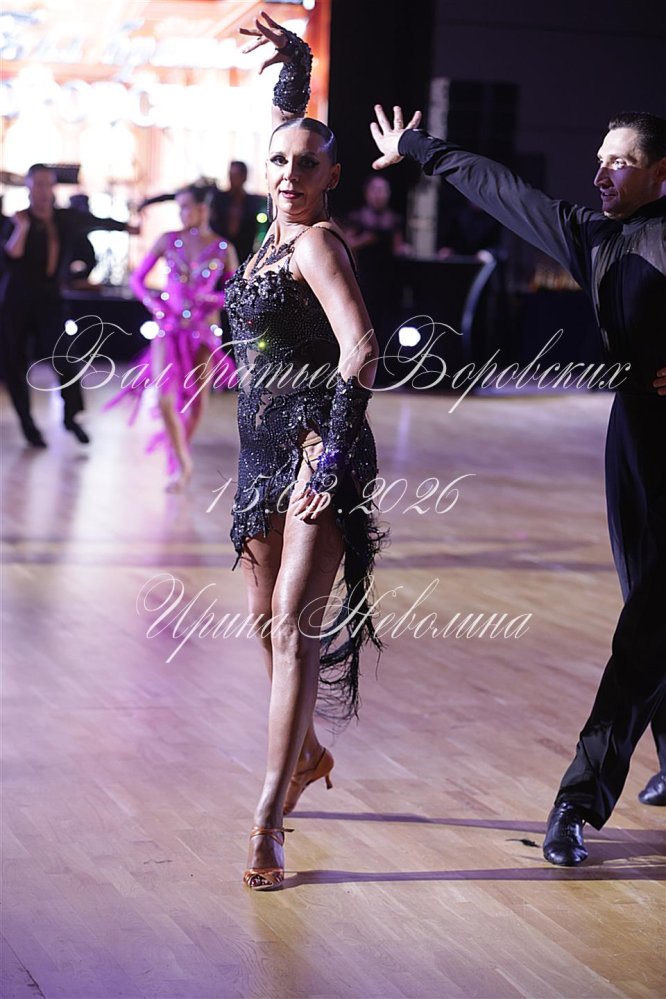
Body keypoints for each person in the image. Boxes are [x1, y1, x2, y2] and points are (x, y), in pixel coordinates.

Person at [370, 105, 666, 864]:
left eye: (622, 162)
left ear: (662, 171)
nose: (601, 173)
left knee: (647, 625)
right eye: (600, 158)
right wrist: (419, 148)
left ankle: (577, 800)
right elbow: (504, 190)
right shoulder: (593, 235)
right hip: (634, 436)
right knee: (647, 605)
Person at [231, 12, 400, 890]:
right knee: (266, 624)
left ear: (335, 177)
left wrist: (330, 462)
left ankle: (268, 817)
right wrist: (296, 61)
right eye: (280, 162)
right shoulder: (270, 236)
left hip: (315, 448)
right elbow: (288, 124)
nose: (291, 174)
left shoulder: (318, 242)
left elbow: (361, 349)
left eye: (308, 165)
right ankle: (305, 755)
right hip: (257, 449)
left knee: (294, 626)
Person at [105, 185, 238, 492]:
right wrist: (155, 305)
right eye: (179, 207)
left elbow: (234, 293)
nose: (182, 213)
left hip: (204, 333)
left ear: (203, 209)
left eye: (186, 207)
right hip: (169, 329)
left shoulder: (222, 247)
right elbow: (137, 280)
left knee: (197, 401)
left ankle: (180, 457)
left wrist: (210, 299)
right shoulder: (168, 240)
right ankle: (182, 462)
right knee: (165, 399)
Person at [0, 164, 138, 447]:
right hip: (16, 301)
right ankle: (29, 426)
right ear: (29, 187)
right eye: (37, 184)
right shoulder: (17, 220)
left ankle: (71, 416)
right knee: (15, 364)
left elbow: (96, 221)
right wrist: (22, 228)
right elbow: (10, 257)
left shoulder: (64, 218)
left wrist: (127, 227)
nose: (43, 190)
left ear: (53, 187)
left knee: (65, 357)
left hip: (50, 300)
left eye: (47, 184)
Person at [208, 161, 265, 262]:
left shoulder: (253, 202)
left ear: (244, 177)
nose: (233, 180)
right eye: (231, 175)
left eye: (236, 176)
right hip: (220, 253)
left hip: (245, 253)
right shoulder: (219, 199)